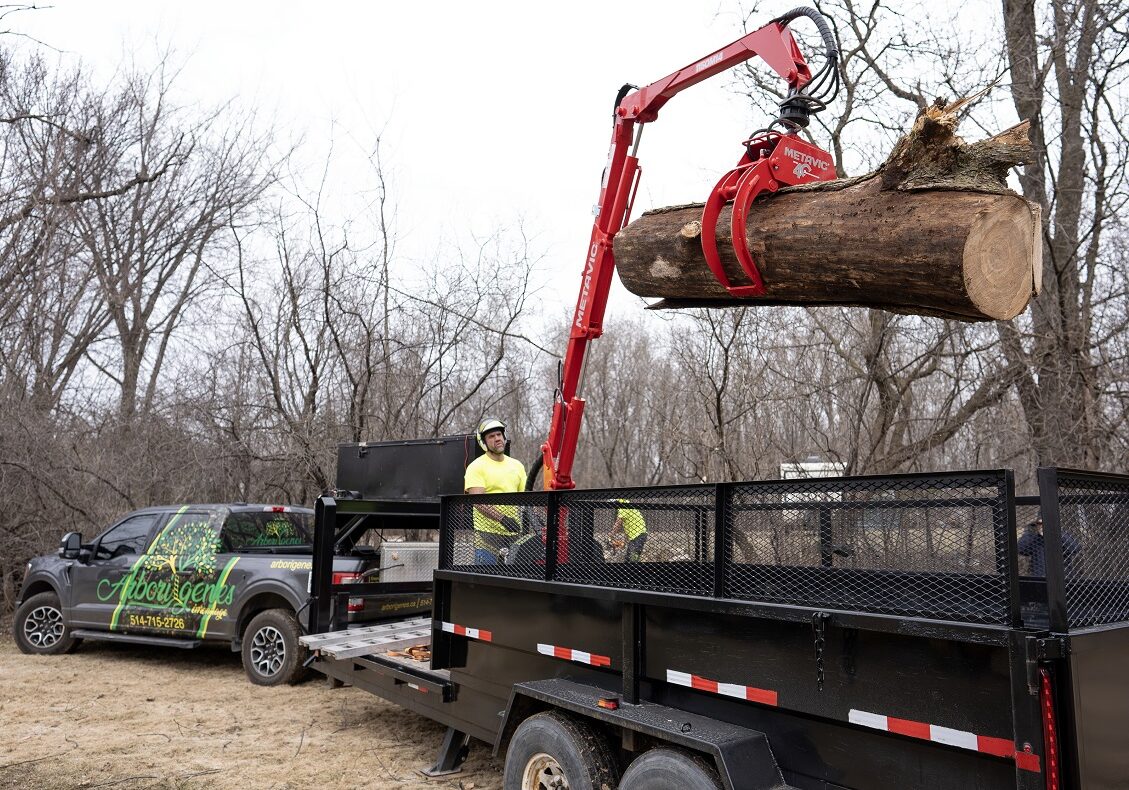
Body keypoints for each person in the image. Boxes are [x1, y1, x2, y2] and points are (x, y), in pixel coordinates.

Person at [464, 418, 527, 564]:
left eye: (499, 434)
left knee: (514, 582)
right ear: (483, 442)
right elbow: (477, 501)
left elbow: (526, 497)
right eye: (491, 436)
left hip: (514, 536)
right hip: (487, 539)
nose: (497, 438)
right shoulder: (476, 467)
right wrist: (503, 519)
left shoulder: (517, 466)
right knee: (487, 582)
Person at [610, 498, 647, 562]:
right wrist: (624, 542)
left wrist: (611, 534)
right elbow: (627, 530)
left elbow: (618, 522)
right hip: (634, 537)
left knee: (633, 559)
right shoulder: (625, 505)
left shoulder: (623, 506)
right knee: (627, 559)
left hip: (639, 535)